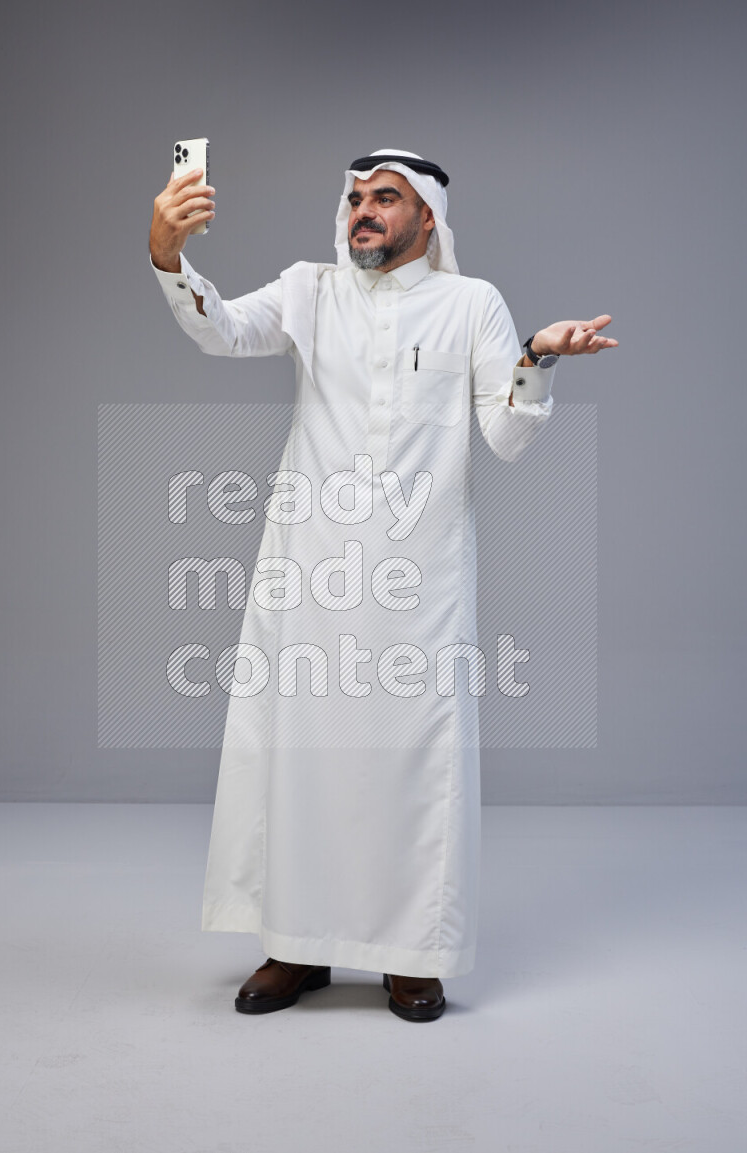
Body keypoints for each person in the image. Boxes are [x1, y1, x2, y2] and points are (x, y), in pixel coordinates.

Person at [149, 148, 617, 1022]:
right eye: (357, 197)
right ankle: (294, 945)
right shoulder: (310, 290)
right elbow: (225, 330)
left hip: (419, 579)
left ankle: (412, 955)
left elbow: (506, 437)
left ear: (426, 218)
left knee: (412, 760)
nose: (363, 209)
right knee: (302, 756)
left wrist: (537, 358)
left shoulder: (471, 303)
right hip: (311, 567)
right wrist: (169, 257)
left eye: (386, 198)